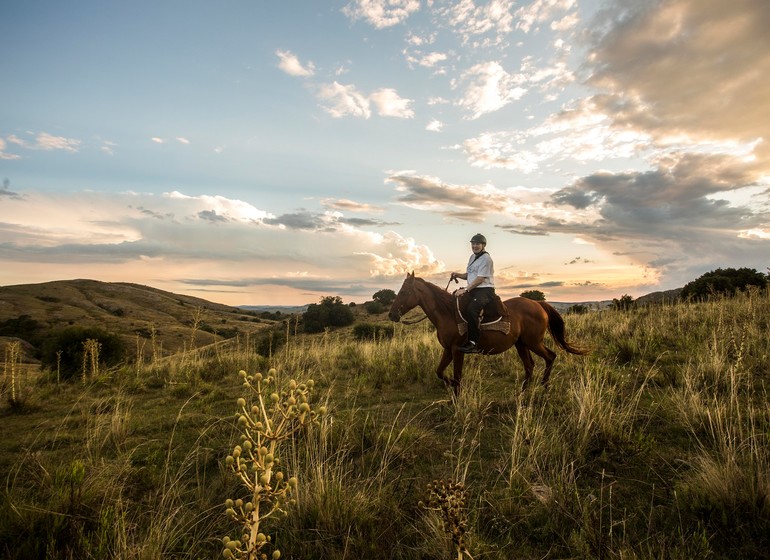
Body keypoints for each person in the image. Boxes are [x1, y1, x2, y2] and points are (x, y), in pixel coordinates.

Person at [450, 233, 495, 353]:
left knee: (472, 310)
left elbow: (480, 278)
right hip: (473, 288)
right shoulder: (472, 257)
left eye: (477, 244)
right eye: (473, 244)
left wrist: (465, 289)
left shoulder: (486, 259)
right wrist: (458, 274)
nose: (474, 246)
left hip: (485, 290)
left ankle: (473, 343)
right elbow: (469, 275)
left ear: (483, 245)